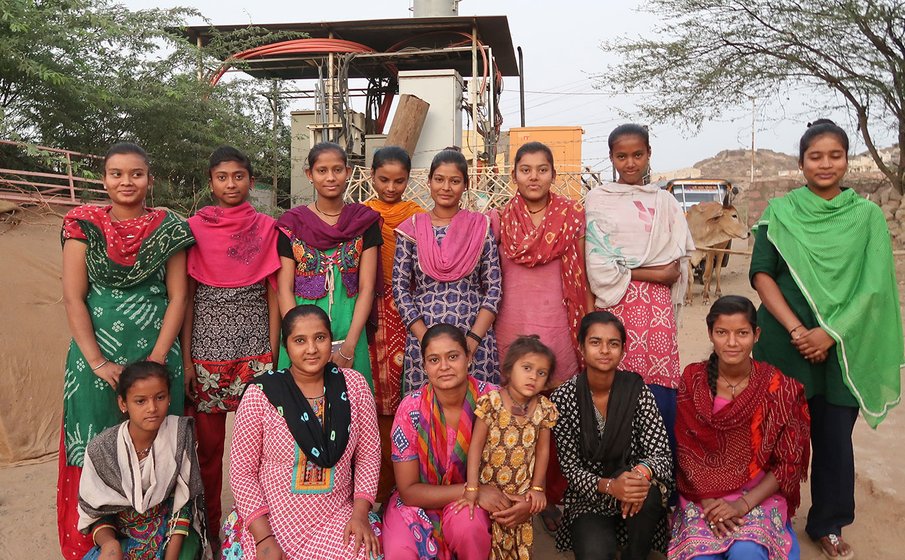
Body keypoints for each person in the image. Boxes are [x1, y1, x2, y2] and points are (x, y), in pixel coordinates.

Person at [750, 119, 903, 559]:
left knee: (834, 438)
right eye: (815, 156)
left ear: (846, 160)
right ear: (801, 162)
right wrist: (799, 330)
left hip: (842, 348)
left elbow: (873, 287)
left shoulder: (867, 217)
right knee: (776, 434)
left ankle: (828, 522)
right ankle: (769, 512)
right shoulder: (780, 212)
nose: (825, 164)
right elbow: (762, 273)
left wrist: (830, 334)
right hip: (784, 343)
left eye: (835, 155)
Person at [59, 142, 194, 559]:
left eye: (136, 173)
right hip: (94, 359)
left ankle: (167, 543)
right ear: (104, 179)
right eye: (116, 173)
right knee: (94, 441)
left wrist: (156, 360)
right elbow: (73, 297)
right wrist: (98, 362)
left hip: (158, 353)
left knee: (161, 438)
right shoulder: (83, 225)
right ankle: (97, 544)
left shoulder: (169, 227)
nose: (126, 182)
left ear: (149, 180)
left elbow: (178, 297)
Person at [490, 140, 593, 532]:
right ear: (513, 175)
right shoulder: (498, 220)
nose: (534, 177)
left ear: (554, 174)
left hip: (557, 329)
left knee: (554, 419)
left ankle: (549, 496)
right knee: (510, 417)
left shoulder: (572, 216)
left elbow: (581, 273)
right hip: (510, 329)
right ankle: (507, 495)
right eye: (526, 169)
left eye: (542, 169)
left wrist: (586, 324)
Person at [227, 304, 382, 559]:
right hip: (271, 519)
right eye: (300, 340)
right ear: (287, 346)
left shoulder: (354, 386)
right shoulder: (261, 394)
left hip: (336, 515)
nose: (311, 349)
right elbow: (242, 473)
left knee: (362, 553)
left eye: (320, 338)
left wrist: (360, 513)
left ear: (331, 340)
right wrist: (264, 539)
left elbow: (368, 455)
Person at [182, 146, 281, 542]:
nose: (230, 184)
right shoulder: (193, 228)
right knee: (209, 452)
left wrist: (273, 354)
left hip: (255, 350)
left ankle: (254, 535)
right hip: (206, 353)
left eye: (238, 176)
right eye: (222, 177)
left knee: (259, 454)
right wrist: (188, 359)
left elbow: (273, 294)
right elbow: (187, 296)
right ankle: (209, 537)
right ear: (211, 183)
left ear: (251, 181)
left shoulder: (267, 228)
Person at [669, 296, 810, 560]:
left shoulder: (778, 388)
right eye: (722, 332)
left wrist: (742, 504)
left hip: (758, 496)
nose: (732, 343)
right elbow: (687, 452)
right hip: (702, 497)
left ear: (756, 335)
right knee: (700, 557)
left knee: (748, 552)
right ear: (710, 333)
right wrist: (710, 504)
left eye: (742, 333)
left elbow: (788, 463)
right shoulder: (693, 380)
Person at [584, 124, 695, 454]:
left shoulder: (665, 202)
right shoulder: (598, 200)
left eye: (637, 155)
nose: (630, 163)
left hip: (656, 309)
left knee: (658, 385)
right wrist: (650, 272)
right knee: (611, 380)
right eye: (621, 156)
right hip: (613, 306)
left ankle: (659, 482)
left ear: (648, 155)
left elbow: (673, 270)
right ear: (611, 158)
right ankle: (613, 479)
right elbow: (598, 264)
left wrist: (631, 271)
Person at [382, 324, 533, 559]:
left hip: (474, 507)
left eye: (453, 356)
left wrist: (527, 500)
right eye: (433, 360)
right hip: (418, 504)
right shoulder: (411, 409)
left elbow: (528, 448)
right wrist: (472, 490)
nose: (444, 367)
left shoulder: (495, 401)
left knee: (469, 527)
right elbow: (409, 492)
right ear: (424, 365)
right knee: (400, 552)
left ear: (468, 357)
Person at [551, 311, 673, 560]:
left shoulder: (637, 391)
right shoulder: (563, 398)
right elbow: (570, 469)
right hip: (589, 497)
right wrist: (610, 486)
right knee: (595, 553)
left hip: (635, 495)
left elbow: (661, 454)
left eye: (613, 343)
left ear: (623, 349)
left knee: (646, 492)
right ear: (581, 347)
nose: (605, 350)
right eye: (595, 342)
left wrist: (637, 477)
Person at [393, 148, 502, 392]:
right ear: (429, 182)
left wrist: (472, 342)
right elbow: (400, 290)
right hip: (424, 333)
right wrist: (426, 342)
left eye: (454, 181)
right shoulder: (411, 229)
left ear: (466, 184)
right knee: (425, 415)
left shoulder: (480, 227)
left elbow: (493, 288)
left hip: (473, 335)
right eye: (439, 179)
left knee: (479, 412)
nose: (446, 187)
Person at [77, 361, 209, 560]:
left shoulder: (179, 435)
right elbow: (96, 513)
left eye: (160, 397)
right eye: (140, 401)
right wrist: (110, 546)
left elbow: (183, 504)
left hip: (171, 535)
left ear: (169, 397)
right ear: (123, 403)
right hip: (122, 537)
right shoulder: (102, 449)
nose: (152, 408)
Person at [276, 142, 381, 387]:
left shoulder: (364, 222)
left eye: (337, 170)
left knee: (351, 408)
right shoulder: (291, 224)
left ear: (348, 171)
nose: (330, 177)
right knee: (298, 410)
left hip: (350, 328)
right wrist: (297, 340)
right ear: (309, 175)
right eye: (322, 171)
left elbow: (366, 288)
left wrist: (350, 345)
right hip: (300, 330)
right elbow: (284, 288)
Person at [362, 146, 427, 503]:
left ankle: (406, 487)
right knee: (373, 401)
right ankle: (375, 488)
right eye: (384, 179)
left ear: (409, 179)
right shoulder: (361, 215)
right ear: (372, 176)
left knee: (406, 397)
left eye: (399, 180)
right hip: (369, 311)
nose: (390, 187)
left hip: (406, 310)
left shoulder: (417, 218)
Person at [461, 335, 559, 559]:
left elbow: (543, 451)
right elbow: (475, 447)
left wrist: (537, 489)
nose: (533, 376)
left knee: (517, 549)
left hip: (520, 494)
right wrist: (472, 488)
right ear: (508, 369)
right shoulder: (492, 402)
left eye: (541, 373)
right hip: (489, 490)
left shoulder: (544, 409)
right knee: (487, 546)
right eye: (527, 368)